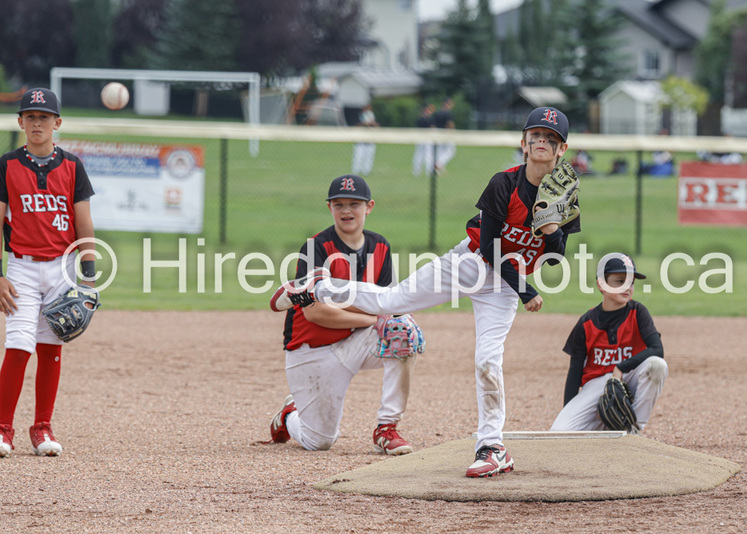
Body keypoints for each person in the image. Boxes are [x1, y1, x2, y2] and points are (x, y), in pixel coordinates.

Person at [270, 107, 581, 478]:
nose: (542, 142)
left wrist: (551, 229)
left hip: (503, 287)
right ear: (524, 143)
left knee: (488, 361)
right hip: (472, 264)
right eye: (536, 136)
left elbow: (554, 256)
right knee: (392, 302)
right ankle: (318, 285)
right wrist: (525, 290)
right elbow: (492, 247)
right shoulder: (504, 183)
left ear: (562, 149)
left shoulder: (564, 189)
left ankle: (492, 447)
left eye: (551, 139)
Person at [267, 174, 418, 456]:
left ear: (369, 206)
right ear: (329, 208)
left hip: (353, 343)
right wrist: (374, 320)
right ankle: (290, 416)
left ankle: (387, 429)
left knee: (403, 331)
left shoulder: (380, 247)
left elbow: (387, 304)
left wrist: (387, 318)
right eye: (339, 204)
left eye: (354, 204)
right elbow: (315, 313)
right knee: (319, 442)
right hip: (310, 351)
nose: (347, 211)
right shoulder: (316, 248)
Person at [0, 88, 96, 458]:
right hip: (21, 267)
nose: (36, 122)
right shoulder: (6, 165)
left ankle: (42, 428)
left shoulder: (72, 166)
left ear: (57, 123)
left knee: (51, 346)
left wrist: (87, 275)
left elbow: (83, 222)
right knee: (19, 346)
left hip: (63, 269)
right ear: (19, 122)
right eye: (30, 116)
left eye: (44, 117)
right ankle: (3, 429)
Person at [550, 253, 667, 433]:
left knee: (657, 365)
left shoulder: (638, 312)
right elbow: (574, 372)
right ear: (601, 284)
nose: (627, 287)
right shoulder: (586, 322)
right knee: (560, 432)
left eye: (631, 282)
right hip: (596, 384)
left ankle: (633, 430)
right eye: (620, 281)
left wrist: (621, 368)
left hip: (630, 376)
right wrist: (568, 410)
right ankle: (603, 425)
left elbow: (657, 350)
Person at [351, 104, 379, 176]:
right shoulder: (360, 115)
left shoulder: (372, 115)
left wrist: (372, 123)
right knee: (358, 156)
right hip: (361, 139)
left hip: (370, 139)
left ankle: (366, 171)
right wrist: (365, 123)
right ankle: (356, 170)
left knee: (369, 156)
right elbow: (357, 124)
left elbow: (376, 126)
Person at [412, 102, 436, 177]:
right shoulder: (429, 118)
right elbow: (432, 128)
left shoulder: (420, 118)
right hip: (427, 138)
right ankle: (429, 171)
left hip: (420, 138)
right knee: (428, 154)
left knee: (418, 154)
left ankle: (416, 171)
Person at [433, 97, 456, 173]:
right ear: (447, 104)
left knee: (440, 151)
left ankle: (437, 166)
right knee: (451, 151)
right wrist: (452, 132)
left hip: (438, 133)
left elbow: (434, 125)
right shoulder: (448, 113)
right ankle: (438, 164)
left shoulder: (438, 113)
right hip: (446, 134)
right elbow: (449, 124)